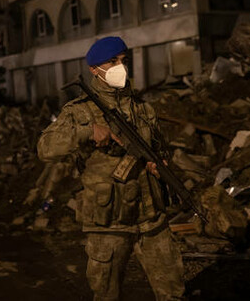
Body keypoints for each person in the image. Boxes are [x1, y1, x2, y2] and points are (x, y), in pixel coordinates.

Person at [37, 36, 185, 301]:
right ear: (94, 69)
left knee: (173, 293)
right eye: (113, 62)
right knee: (106, 295)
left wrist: (160, 163)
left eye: (124, 61)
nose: (121, 67)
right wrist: (86, 132)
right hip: (109, 223)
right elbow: (45, 148)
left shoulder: (143, 108)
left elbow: (161, 149)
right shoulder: (79, 112)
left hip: (151, 219)